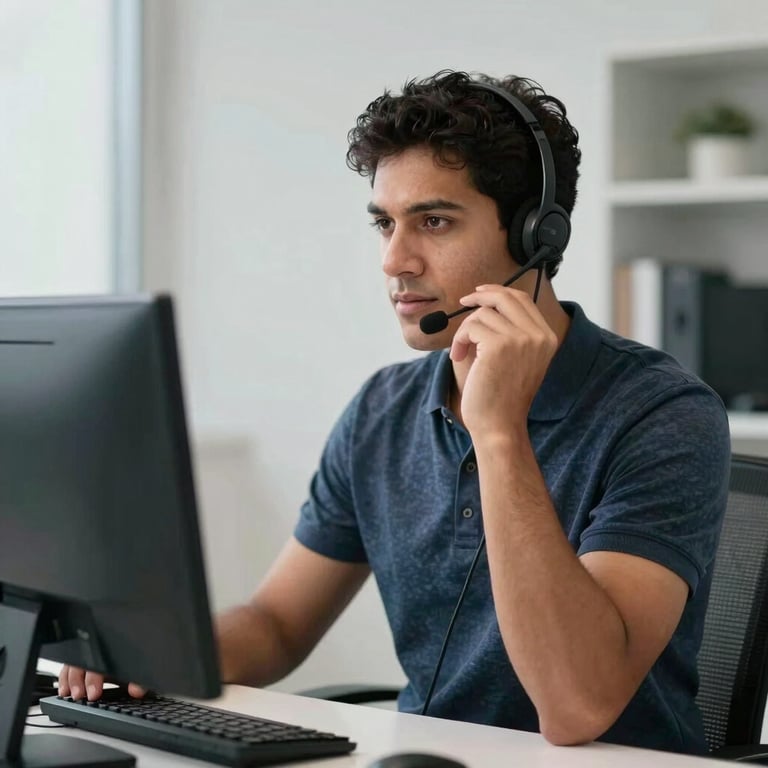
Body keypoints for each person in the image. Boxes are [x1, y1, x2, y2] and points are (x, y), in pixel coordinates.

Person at [59, 70, 730, 754]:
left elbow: (577, 706)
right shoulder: (383, 408)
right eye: (385, 223)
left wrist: (499, 433)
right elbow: (277, 624)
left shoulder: (662, 414)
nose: (394, 260)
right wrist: (149, 654)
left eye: (433, 221)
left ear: (536, 236)